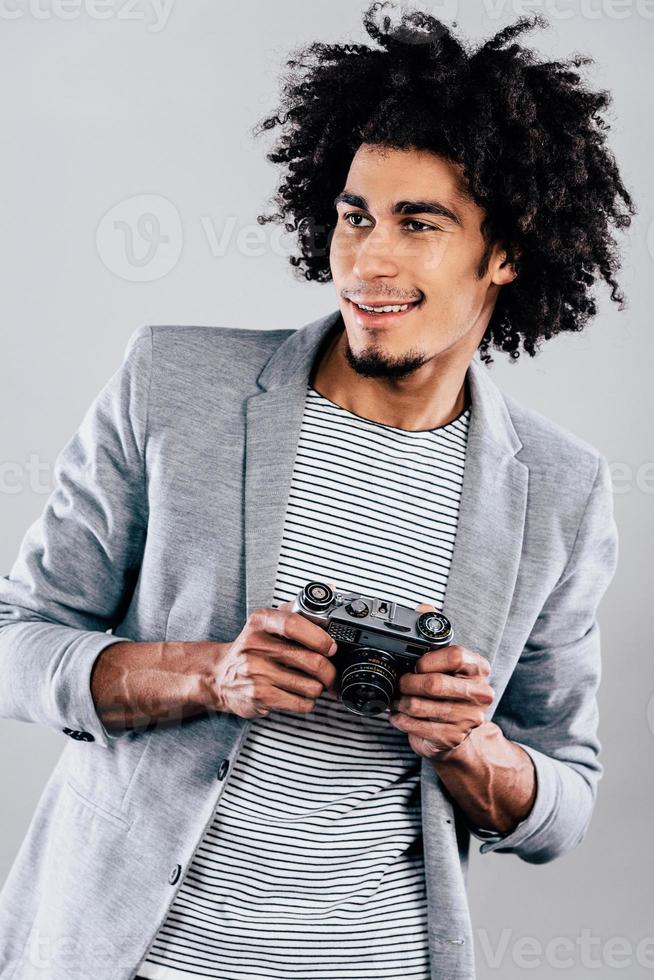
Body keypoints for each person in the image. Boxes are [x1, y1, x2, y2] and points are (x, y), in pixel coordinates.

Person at [0, 4, 633, 979]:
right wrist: (207, 672)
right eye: (355, 216)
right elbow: (18, 638)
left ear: (504, 251)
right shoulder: (173, 381)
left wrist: (474, 747)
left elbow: (567, 797)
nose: (368, 259)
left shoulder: (562, 489)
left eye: (419, 224)